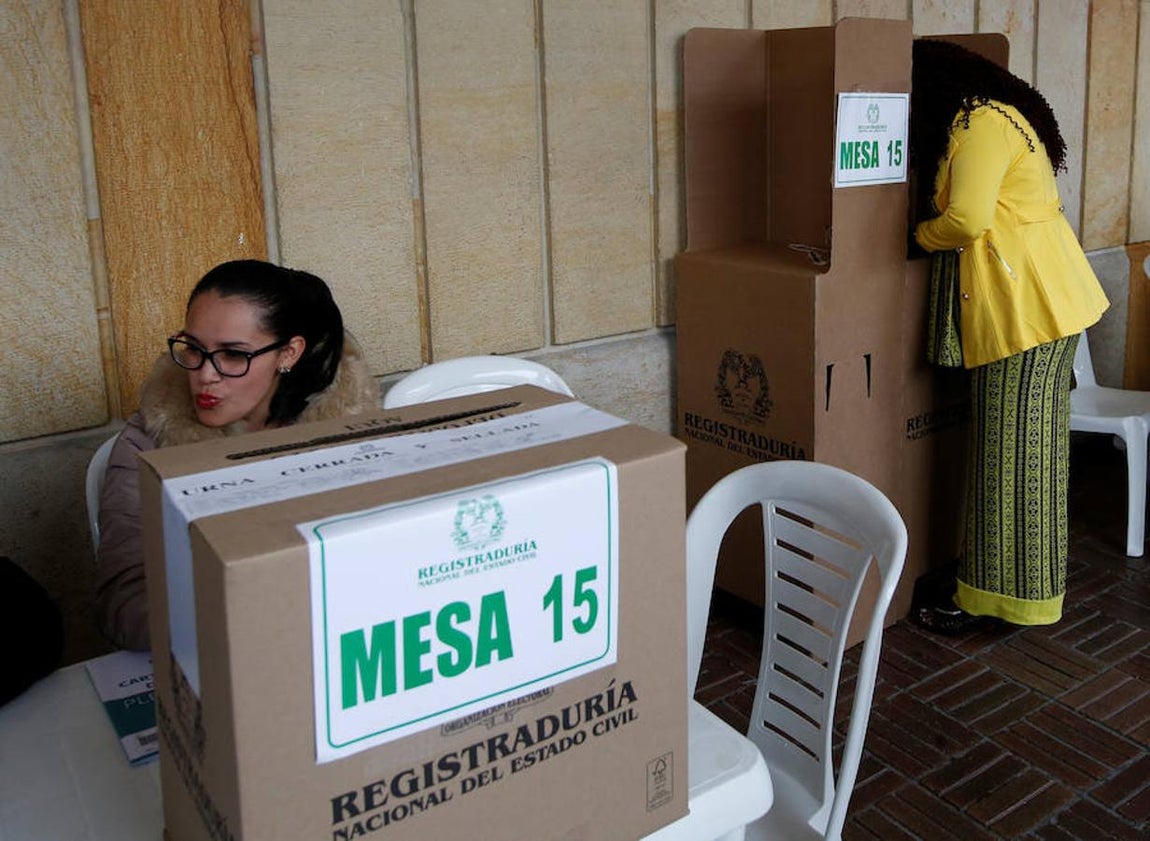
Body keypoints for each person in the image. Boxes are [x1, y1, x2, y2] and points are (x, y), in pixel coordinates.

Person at [908, 39, 1109, 633]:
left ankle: (987, 603)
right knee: (1031, 458)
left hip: (1026, 311)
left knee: (1008, 459)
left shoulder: (979, 123)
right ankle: (1017, 591)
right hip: (1042, 306)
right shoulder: (998, 116)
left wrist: (918, 236)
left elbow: (967, 219)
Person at [95, 260, 378, 650]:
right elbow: (123, 601)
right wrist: (240, 627)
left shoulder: (353, 432)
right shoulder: (149, 440)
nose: (204, 375)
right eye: (193, 349)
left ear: (289, 354)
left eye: (233, 355)